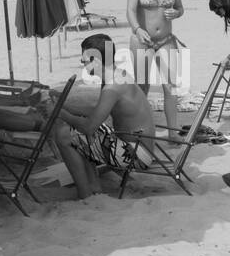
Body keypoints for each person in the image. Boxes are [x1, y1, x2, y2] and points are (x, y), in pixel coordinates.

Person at [52, 34, 157, 199]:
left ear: (97, 61)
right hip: (137, 145)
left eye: (84, 61)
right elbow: (97, 111)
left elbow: (89, 127)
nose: (83, 65)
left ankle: (85, 194)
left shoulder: (113, 87)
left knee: (64, 135)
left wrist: (60, 113)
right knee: (76, 129)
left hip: (135, 154)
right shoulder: (117, 75)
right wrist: (62, 103)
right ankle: (93, 185)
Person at [127, 0, 185, 133]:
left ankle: (173, 131)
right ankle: (140, 128)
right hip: (142, 40)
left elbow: (180, 8)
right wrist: (137, 29)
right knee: (142, 85)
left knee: (171, 86)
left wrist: (176, 13)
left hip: (166, 40)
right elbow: (130, 10)